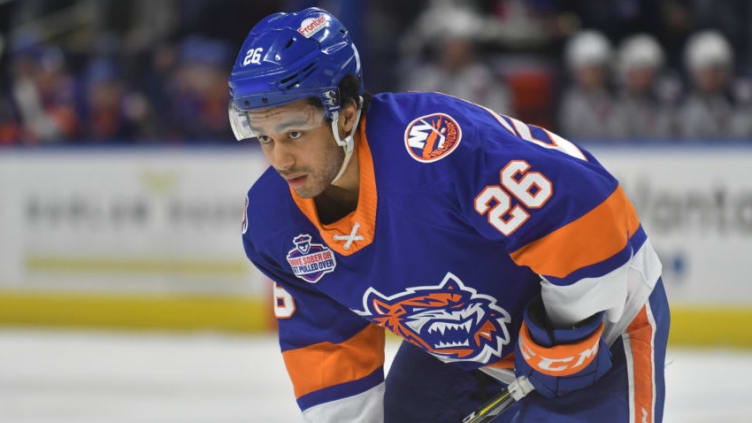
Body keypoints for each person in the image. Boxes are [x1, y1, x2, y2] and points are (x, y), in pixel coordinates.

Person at [230, 8, 669, 423]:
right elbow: (326, 349)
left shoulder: (435, 148)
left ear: (345, 115)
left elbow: (586, 210)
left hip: (601, 315)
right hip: (466, 353)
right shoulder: (277, 224)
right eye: (264, 138)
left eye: (294, 133)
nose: (281, 160)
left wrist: (567, 331)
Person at [558, 30, 618, 140]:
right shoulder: (570, 102)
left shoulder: (616, 98)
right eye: (586, 70)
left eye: (596, 69)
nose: (591, 75)